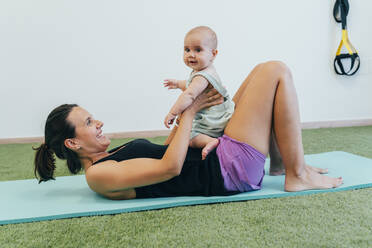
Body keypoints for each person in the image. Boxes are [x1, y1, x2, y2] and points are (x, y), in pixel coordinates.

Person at [34, 61, 343, 200]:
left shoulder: (112, 154)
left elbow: (168, 149)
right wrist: (191, 110)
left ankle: (283, 165)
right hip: (225, 172)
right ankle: (298, 174)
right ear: (73, 142)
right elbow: (170, 167)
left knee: (257, 76)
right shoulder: (98, 176)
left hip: (218, 155)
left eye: (93, 118)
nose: (98, 123)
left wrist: (191, 109)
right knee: (275, 71)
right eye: (89, 123)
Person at [163, 26, 235, 160]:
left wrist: (173, 113)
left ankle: (210, 141)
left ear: (213, 54)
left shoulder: (202, 76)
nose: (191, 54)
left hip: (213, 121)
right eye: (187, 49)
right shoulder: (204, 72)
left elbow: (190, 94)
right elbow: (192, 85)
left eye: (198, 50)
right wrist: (178, 83)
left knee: (188, 137)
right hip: (221, 115)